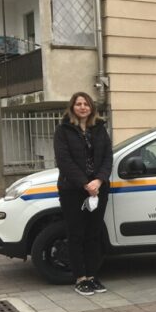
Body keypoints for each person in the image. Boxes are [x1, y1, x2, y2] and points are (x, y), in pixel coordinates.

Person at [54, 92, 113, 296]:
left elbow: (108, 157)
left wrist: (98, 180)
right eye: (78, 104)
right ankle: (80, 278)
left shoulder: (99, 129)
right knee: (76, 234)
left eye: (85, 103)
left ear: (91, 107)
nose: (82, 107)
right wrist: (85, 184)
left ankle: (92, 276)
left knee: (93, 234)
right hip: (73, 190)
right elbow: (64, 161)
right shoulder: (63, 130)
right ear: (72, 107)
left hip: (98, 189)